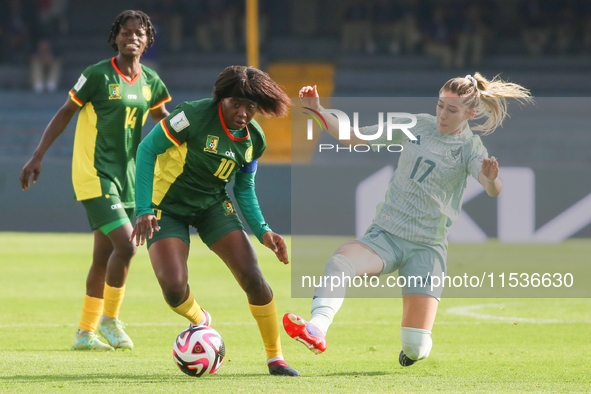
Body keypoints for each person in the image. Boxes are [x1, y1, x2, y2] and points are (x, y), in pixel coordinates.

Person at [283, 73, 532, 366]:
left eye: (452, 110)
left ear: (470, 113)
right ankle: (317, 328)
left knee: (415, 347)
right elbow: (354, 136)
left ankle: (414, 349)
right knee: (340, 262)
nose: (442, 114)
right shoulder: (415, 125)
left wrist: (491, 180)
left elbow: (493, 189)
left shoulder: (469, 147)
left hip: (427, 249)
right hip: (386, 235)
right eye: (440, 105)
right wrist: (319, 110)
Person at [130, 65, 299, 376]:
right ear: (221, 98)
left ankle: (276, 359)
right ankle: (199, 318)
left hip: (212, 206)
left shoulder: (253, 140)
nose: (244, 112)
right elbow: (146, 149)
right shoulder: (191, 116)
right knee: (173, 286)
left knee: (253, 277)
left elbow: (244, 189)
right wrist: (143, 209)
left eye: (251, 106)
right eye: (237, 103)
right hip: (165, 206)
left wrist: (264, 231)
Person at [19, 10, 172, 351]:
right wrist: (38, 154)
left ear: (147, 41)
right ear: (115, 36)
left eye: (139, 33)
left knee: (103, 257)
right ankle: (111, 320)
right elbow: (65, 113)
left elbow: (167, 125)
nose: (132, 37)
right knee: (127, 246)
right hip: (95, 174)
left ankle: (84, 332)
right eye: (125, 31)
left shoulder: (152, 82)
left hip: (129, 179)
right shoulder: (97, 75)